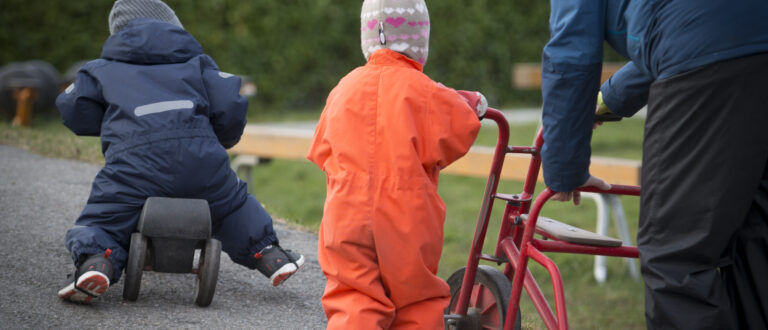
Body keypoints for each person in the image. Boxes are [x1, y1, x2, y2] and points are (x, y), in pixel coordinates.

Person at [56, 0, 304, 304]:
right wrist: (221, 140)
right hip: (202, 160)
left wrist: (112, 124)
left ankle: (96, 262)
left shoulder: (100, 70)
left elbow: (73, 109)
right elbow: (230, 105)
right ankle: (269, 254)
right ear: (174, 28)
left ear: (118, 34)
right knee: (231, 205)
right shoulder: (198, 65)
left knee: (104, 217)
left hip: (134, 168)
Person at [540, 1, 768, 328]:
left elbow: (572, 53)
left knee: (675, 260)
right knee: (757, 241)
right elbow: (690, 28)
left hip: (706, 53)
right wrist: (605, 101)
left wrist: (565, 169)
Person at [306, 0, 486, 327]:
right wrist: (471, 104)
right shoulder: (427, 92)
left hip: (346, 211)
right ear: (420, 46)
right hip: (407, 214)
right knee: (416, 299)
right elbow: (461, 130)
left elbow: (320, 149)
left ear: (367, 41)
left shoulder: (343, 88)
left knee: (353, 296)